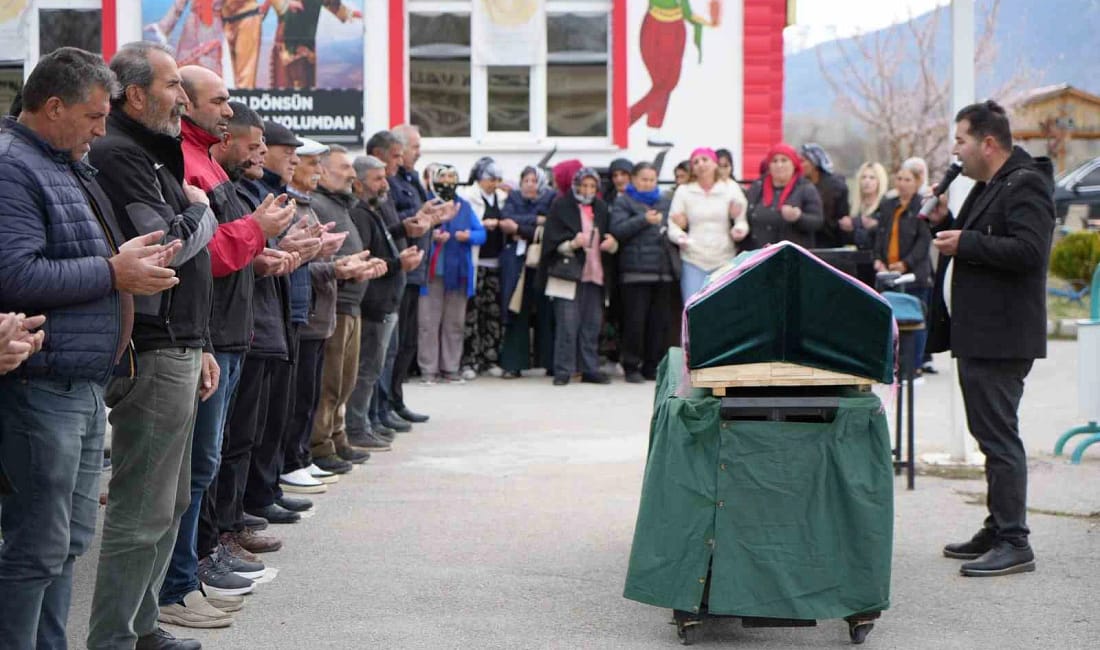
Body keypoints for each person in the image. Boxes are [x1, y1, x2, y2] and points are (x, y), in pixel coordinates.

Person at [0, 47, 178, 649]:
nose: (102, 130)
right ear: (53, 107)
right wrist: (113, 274)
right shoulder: (12, 167)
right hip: (40, 385)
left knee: (70, 539)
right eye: (94, 117)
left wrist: (128, 268)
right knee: (37, 546)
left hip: (78, 382)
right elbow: (16, 276)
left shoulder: (64, 162)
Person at [87, 40, 220, 650]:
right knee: (141, 509)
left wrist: (205, 344)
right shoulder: (120, 153)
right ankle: (116, 636)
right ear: (135, 94)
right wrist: (204, 211)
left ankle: (140, 626)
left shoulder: (153, 153)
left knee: (164, 506)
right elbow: (165, 248)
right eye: (174, 86)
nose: (184, 99)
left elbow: (178, 249)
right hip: (154, 346)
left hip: (182, 343)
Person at [158, 65, 295, 628]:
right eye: (219, 100)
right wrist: (258, 231)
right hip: (206, 333)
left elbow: (225, 248)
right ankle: (178, 583)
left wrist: (260, 248)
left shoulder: (207, 162)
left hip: (228, 331)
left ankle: (187, 575)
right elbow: (207, 254)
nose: (228, 108)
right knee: (194, 468)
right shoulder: (188, 162)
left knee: (206, 462)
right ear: (185, 103)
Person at [928, 100, 1054, 577]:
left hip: (1002, 336)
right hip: (980, 333)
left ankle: (1014, 540)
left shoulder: (1027, 184)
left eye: (960, 140)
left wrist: (965, 242)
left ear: (988, 142)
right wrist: (942, 223)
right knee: (989, 435)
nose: (955, 151)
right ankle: (997, 523)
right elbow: (970, 239)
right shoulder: (990, 185)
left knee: (999, 437)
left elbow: (1028, 251)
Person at [304, 146, 389, 469]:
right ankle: (321, 445)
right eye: (344, 168)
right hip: (334, 304)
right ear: (323, 171)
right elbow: (316, 253)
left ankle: (337, 437)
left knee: (345, 382)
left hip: (351, 303)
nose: (352, 174)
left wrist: (364, 267)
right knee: (330, 382)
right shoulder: (319, 204)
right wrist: (345, 266)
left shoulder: (341, 205)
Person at [344, 155, 424, 450]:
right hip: (371, 303)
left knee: (375, 368)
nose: (385, 184)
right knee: (365, 371)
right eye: (378, 179)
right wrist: (398, 263)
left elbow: (383, 243)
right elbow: (366, 258)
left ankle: (367, 421)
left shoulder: (371, 210)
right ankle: (356, 426)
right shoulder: (360, 214)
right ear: (359, 182)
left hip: (384, 302)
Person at [541, 167, 619, 386]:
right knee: (567, 323)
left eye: (592, 186)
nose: (587, 190)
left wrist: (613, 244)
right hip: (567, 274)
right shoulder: (561, 206)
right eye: (583, 185)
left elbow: (612, 237)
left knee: (591, 325)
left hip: (595, 273)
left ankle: (589, 369)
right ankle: (563, 370)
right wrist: (572, 244)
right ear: (575, 185)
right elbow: (550, 241)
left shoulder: (601, 207)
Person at [610, 161, 677, 383]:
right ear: (634, 180)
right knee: (635, 322)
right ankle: (631, 365)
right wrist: (643, 220)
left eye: (652, 179)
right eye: (643, 179)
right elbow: (617, 230)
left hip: (662, 271)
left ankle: (652, 365)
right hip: (634, 272)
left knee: (658, 324)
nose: (648, 183)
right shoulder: (624, 201)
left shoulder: (665, 201)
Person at [419, 165, 486, 384]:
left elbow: (481, 233)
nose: (447, 182)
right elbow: (414, 229)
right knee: (428, 323)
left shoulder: (464, 206)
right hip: (431, 274)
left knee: (454, 324)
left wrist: (469, 236)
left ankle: (451, 368)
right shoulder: (426, 203)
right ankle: (428, 370)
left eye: (451, 177)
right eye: (443, 177)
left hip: (459, 274)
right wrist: (432, 235)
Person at [387, 124, 432, 424]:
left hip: (417, 269)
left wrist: (434, 217)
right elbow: (392, 221)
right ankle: (387, 403)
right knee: (395, 342)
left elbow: (419, 216)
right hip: (400, 267)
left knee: (407, 343)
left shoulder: (412, 178)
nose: (418, 152)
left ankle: (396, 399)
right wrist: (418, 217)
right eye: (414, 147)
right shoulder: (389, 181)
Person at [873, 160, 933, 375]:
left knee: (915, 318)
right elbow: (881, 234)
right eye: (899, 178)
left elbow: (923, 241)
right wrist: (878, 259)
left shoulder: (923, 206)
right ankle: (893, 364)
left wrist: (906, 263)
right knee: (891, 319)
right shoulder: (889, 205)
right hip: (888, 272)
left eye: (908, 179)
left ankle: (914, 365)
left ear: (917, 182)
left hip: (913, 273)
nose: (902, 183)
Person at [667, 147, 748, 299]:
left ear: (715, 163)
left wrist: (739, 230)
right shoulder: (684, 191)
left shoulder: (730, 187)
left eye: (705, 160)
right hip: (693, 258)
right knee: (693, 306)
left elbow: (741, 220)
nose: (701, 164)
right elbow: (673, 224)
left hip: (724, 258)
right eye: (696, 162)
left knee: (724, 306)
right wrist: (680, 237)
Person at [499, 166, 555, 378]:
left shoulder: (550, 199)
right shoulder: (513, 197)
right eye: (526, 180)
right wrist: (536, 221)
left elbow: (550, 225)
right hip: (516, 261)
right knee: (516, 308)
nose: (530, 184)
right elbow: (505, 221)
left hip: (542, 261)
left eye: (534, 180)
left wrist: (520, 227)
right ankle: (514, 363)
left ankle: (549, 361)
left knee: (546, 311)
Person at [459, 156, 510, 378]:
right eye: (490, 179)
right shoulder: (467, 196)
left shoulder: (503, 198)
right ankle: (470, 360)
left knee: (493, 312)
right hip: (475, 261)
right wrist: (483, 226)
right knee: (472, 312)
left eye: (497, 179)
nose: (494, 183)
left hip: (496, 262)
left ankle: (491, 359)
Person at [744, 143, 824, 250]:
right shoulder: (758, 186)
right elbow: (745, 216)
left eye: (784, 160)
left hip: (792, 256)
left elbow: (817, 221)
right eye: (774, 161)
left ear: (793, 164)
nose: (779, 165)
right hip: (759, 254)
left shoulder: (805, 188)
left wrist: (799, 217)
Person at [271, 0, 361, 89]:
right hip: (288, 45)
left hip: (308, 47)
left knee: (306, 86)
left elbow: (331, 3)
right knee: (286, 88)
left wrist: (349, 14)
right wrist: (286, 4)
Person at [800, 143, 850, 248]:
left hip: (830, 243)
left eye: (803, 161)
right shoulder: (801, 185)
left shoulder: (836, 187)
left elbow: (841, 218)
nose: (800, 165)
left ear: (814, 163)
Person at [842, 161, 888, 251]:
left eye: (872, 178)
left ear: (880, 181)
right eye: (864, 177)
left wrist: (856, 225)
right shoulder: (854, 206)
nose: (867, 181)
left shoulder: (885, 206)